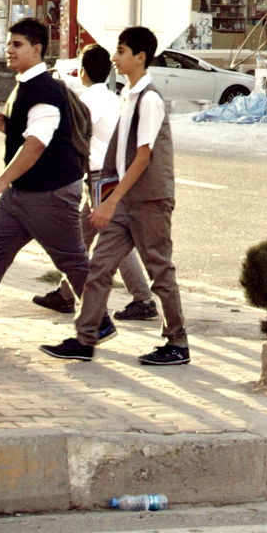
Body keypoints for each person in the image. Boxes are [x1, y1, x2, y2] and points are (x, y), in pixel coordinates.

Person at [47, 26, 189, 366]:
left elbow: (143, 157)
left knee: (160, 272)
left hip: (149, 200)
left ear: (140, 58)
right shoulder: (128, 94)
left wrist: (109, 201)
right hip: (125, 202)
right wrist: (112, 198)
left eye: (122, 51)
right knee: (99, 267)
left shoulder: (150, 99)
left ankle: (177, 343)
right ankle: (86, 338)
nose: (115, 58)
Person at [0, 16, 98, 327]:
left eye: (17, 45)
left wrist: (2, 180)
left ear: (37, 49)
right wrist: (9, 129)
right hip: (21, 194)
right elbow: (34, 136)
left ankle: (99, 321)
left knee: (72, 261)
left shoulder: (44, 89)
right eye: (8, 44)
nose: (9, 50)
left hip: (50, 194)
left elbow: (38, 144)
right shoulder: (26, 84)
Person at [32, 43, 158, 328]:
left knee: (112, 239)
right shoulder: (114, 98)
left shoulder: (88, 102)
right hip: (111, 175)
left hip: (102, 177)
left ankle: (143, 299)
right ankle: (66, 294)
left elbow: (70, 137)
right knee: (82, 236)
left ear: (83, 72)